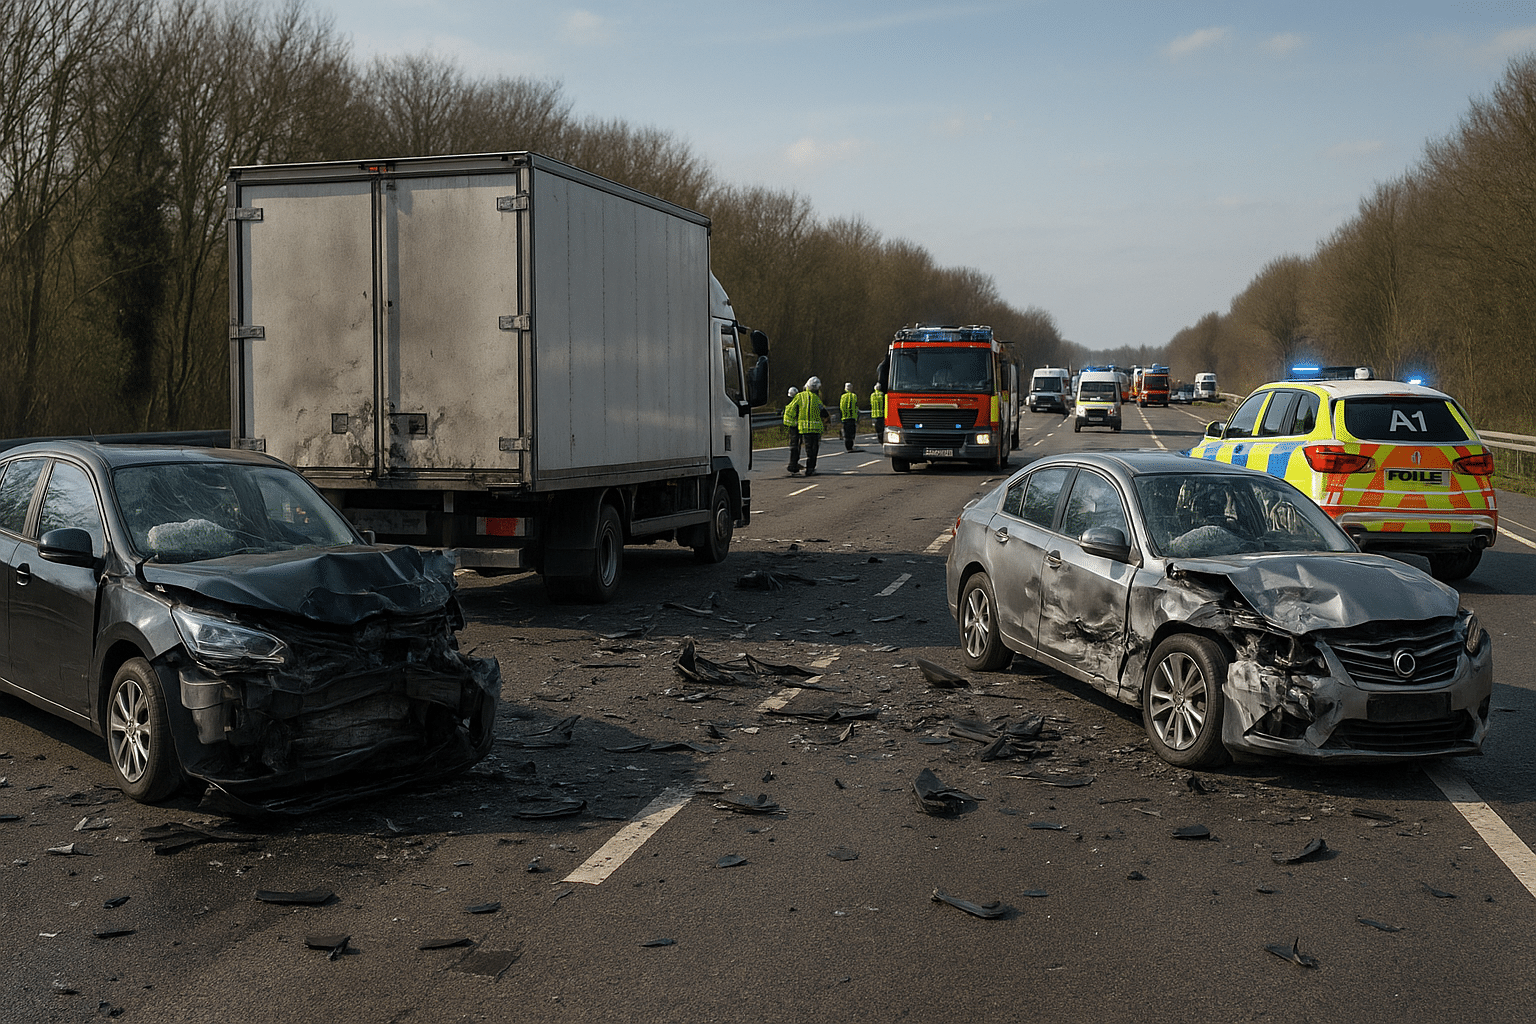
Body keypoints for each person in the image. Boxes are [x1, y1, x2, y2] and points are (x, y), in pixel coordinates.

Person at [788, 376, 829, 475]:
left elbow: (791, 408)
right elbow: (823, 412)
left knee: (808, 447)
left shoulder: (799, 396)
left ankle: (802, 466)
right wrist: (827, 418)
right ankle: (810, 468)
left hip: (804, 428)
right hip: (815, 429)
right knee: (813, 450)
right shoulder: (816, 399)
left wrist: (793, 421)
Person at [782, 387, 800, 474]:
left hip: (790, 425)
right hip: (796, 425)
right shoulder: (796, 403)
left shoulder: (788, 403)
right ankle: (793, 464)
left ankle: (793, 463)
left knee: (793, 445)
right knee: (795, 446)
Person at [839, 382, 859, 452]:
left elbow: (841, 407)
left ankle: (848, 447)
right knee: (852, 433)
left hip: (845, 418)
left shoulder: (843, 397)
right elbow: (856, 407)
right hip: (852, 418)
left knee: (847, 433)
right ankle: (850, 446)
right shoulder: (854, 396)